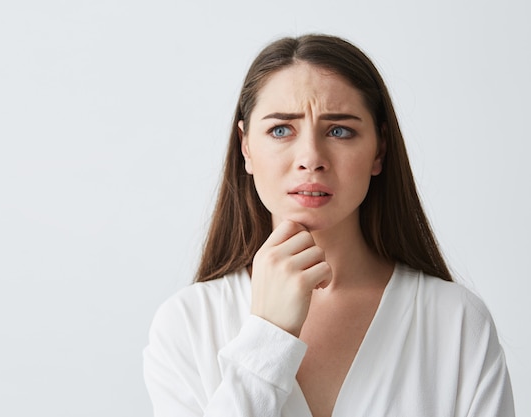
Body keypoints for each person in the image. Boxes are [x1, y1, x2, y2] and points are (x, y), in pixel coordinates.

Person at [143, 34, 515, 417]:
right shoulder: (187, 324)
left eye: (339, 130)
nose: (310, 158)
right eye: (281, 130)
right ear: (246, 148)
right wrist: (268, 335)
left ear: (379, 150)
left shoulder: (456, 323)